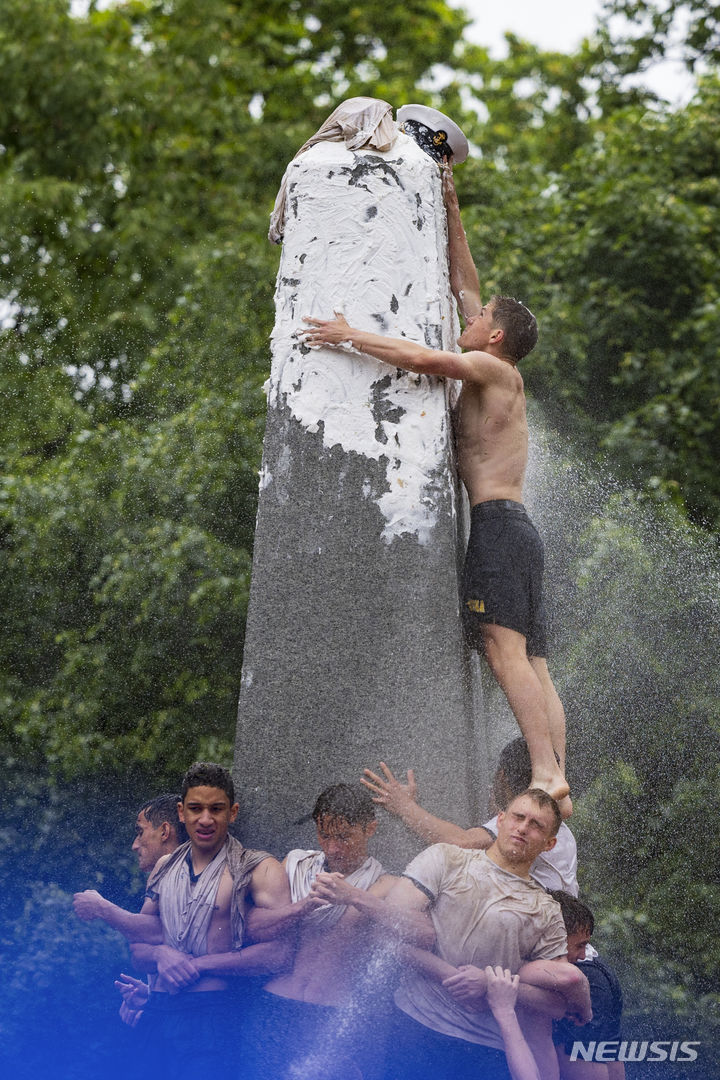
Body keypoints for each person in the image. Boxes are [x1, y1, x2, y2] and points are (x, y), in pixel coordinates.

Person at [300, 165, 569, 810]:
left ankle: (548, 774)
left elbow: (426, 359)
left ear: (495, 337)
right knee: (532, 661)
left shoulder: (487, 367)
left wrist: (349, 336)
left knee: (504, 652)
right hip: (516, 529)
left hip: (501, 528)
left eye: (479, 323)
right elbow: (465, 284)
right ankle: (558, 777)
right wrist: (451, 208)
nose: (466, 321)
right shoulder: (495, 368)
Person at [312, 789, 591, 1080]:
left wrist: (490, 984)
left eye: (536, 825)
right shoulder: (446, 858)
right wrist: (448, 975)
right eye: (518, 817)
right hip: (415, 1023)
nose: (523, 828)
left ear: (549, 844)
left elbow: (556, 1004)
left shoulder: (547, 909)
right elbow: (387, 933)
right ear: (500, 819)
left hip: (487, 1047)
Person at [76, 762, 292, 1080]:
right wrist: (163, 954)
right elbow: (139, 952)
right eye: (196, 808)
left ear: (232, 812)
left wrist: (201, 965)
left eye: (216, 809)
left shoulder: (259, 869)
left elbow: (279, 954)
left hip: (210, 1015)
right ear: (181, 812)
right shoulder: (165, 866)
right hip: (156, 1009)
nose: (205, 819)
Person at [243, 783, 396, 1080]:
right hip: (274, 1005)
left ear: (370, 829)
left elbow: (422, 933)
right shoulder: (295, 864)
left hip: (330, 1017)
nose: (333, 847)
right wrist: (302, 907)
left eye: (344, 837)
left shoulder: (384, 884)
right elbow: (251, 927)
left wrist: (352, 896)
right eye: (324, 835)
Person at [362, 736, 578, 894]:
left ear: (501, 777)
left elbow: (460, 842)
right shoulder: (551, 823)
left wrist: (404, 805)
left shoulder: (524, 824)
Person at [550, 892, 626, 1080]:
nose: (583, 953)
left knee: (576, 1053)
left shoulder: (546, 915)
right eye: (579, 947)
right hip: (601, 974)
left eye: (584, 946)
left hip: (588, 978)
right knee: (604, 1047)